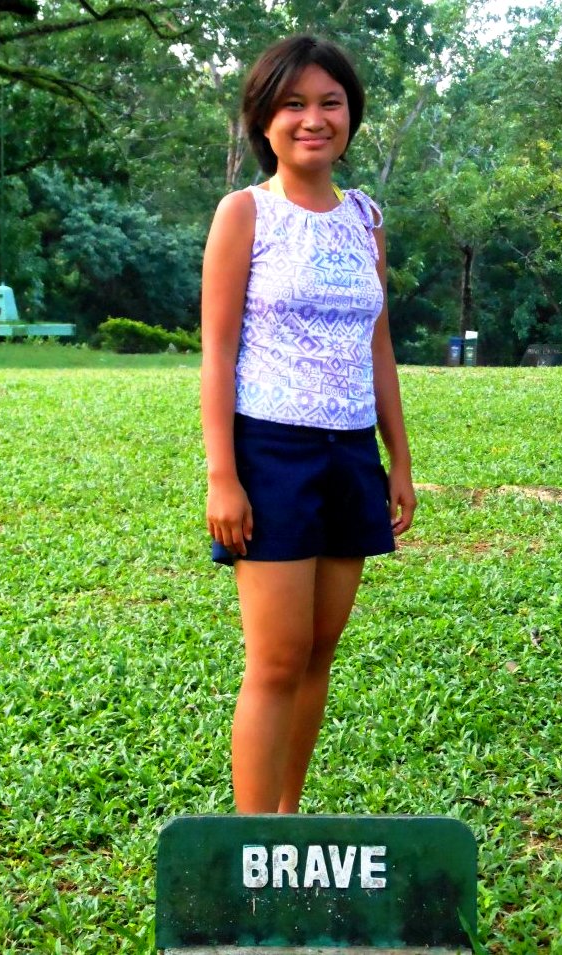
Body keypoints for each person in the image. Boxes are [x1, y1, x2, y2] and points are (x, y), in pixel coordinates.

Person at [201, 34, 416, 814]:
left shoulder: (365, 219)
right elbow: (218, 350)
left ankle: (287, 822)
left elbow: (377, 345)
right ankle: (252, 846)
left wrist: (397, 458)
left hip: (349, 454)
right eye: (293, 104)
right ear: (264, 119)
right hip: (271, 452)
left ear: (350, 116)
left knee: (319, 652)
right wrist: (223, 477)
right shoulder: (245, 213)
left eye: (330, 103)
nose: (313, 119)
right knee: (276, 659)